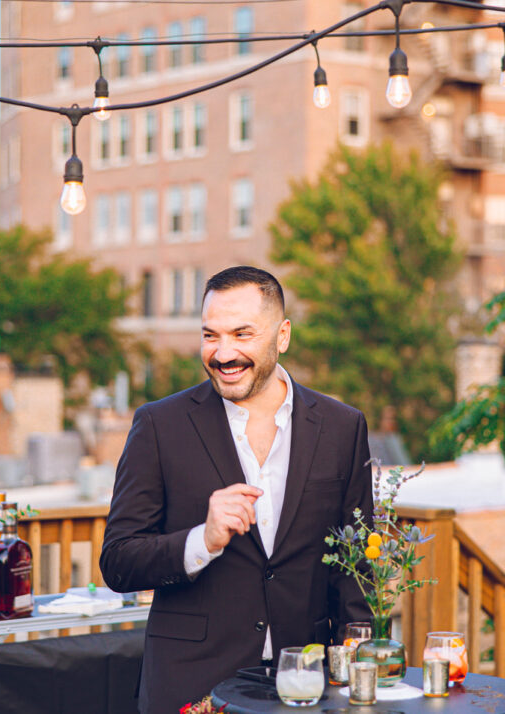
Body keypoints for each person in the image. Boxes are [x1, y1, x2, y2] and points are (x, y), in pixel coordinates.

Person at [100, 266, 373, 713]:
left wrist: (355, 674)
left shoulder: (343, 427)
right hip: (191, 685)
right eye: (211, 336)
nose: (223, 353)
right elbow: (118, 562)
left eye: (242, 334)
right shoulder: (159, 425)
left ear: (282, 335)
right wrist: (200, 541)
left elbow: (354, 567)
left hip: (306, 685)